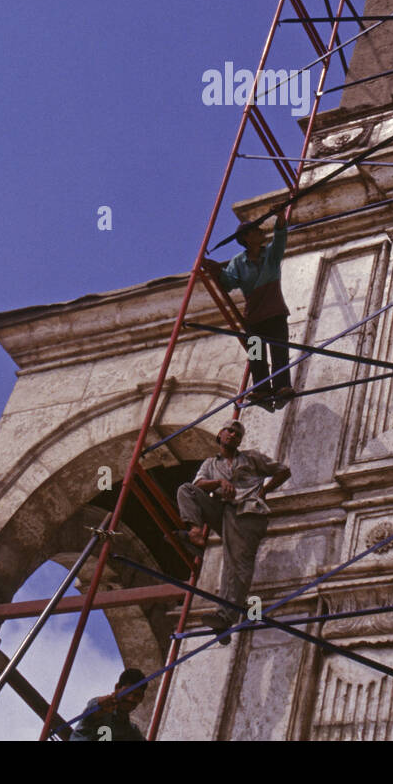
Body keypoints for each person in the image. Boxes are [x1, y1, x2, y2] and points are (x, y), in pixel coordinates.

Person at [175, 421, 290, 644]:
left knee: (236, 562)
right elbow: (198, 484)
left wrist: (263, 491)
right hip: (224, 510)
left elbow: (283, 471)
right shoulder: (210, 464)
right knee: (186, 490)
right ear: (220, 434)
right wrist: (219, 482)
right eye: (229, 431)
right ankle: (196, 532)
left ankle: (227, 616)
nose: (233, 435)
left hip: (247, 513)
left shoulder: (251, 458)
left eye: (238, 434)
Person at [204, 207, 294, 410]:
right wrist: (215, 270)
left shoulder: (270, 254)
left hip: (275, 311)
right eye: (256, 230)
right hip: (254, 316)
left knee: (279, 350)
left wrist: (279, 216)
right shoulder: (238, 262)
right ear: (246, 237)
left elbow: (280, 238)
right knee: (256, 354)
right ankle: (262, 388)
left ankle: (281, 387)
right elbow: (228, 283)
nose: (261, 232)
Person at [68, 669, 147, 742]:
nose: (131, 698)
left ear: (142, 698)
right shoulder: (103, 709)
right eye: (128, 692)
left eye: (137, 695)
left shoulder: (132, 731)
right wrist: (100, 705)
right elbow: (94, 709)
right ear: (117, 688)